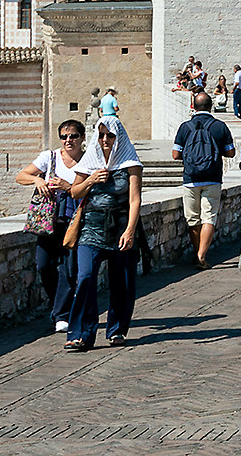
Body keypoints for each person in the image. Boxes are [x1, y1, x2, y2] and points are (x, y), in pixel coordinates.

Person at [64, 116, 142, 350]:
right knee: (85, 277)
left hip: (119, 228)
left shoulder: (130, 163)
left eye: (110, 135)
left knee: (122, 281)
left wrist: (130, 230)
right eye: (101, 135)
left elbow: (135, 199)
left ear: (118, 137)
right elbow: (75, 192)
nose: (105, 140)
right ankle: (81, 334)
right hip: (92, 228)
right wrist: (90, 180)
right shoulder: (90, 160)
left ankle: (116, 330)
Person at [15, 119, 87, 330]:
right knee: (44, 265)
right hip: (48, 221)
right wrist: (37, 180)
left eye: (73, 136)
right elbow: (21, 176)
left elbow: (90, 188)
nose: (68, 140)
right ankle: (60, 307)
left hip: (74, 221)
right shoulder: (50, 157)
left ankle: (61, 315)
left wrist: (67, 186)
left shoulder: (88, 160)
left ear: (82, 137)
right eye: (64, 137)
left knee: (68, 268)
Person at [170, 91, 238, 267]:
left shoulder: (185, 127)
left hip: (191, 178)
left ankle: (198, 254)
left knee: (193, 219)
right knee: (209, 217)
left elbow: (175, 154)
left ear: (193, 106)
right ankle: (202, 256)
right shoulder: (220, 126)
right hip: (213, 178)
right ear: (210, 106)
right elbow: (231, 152)